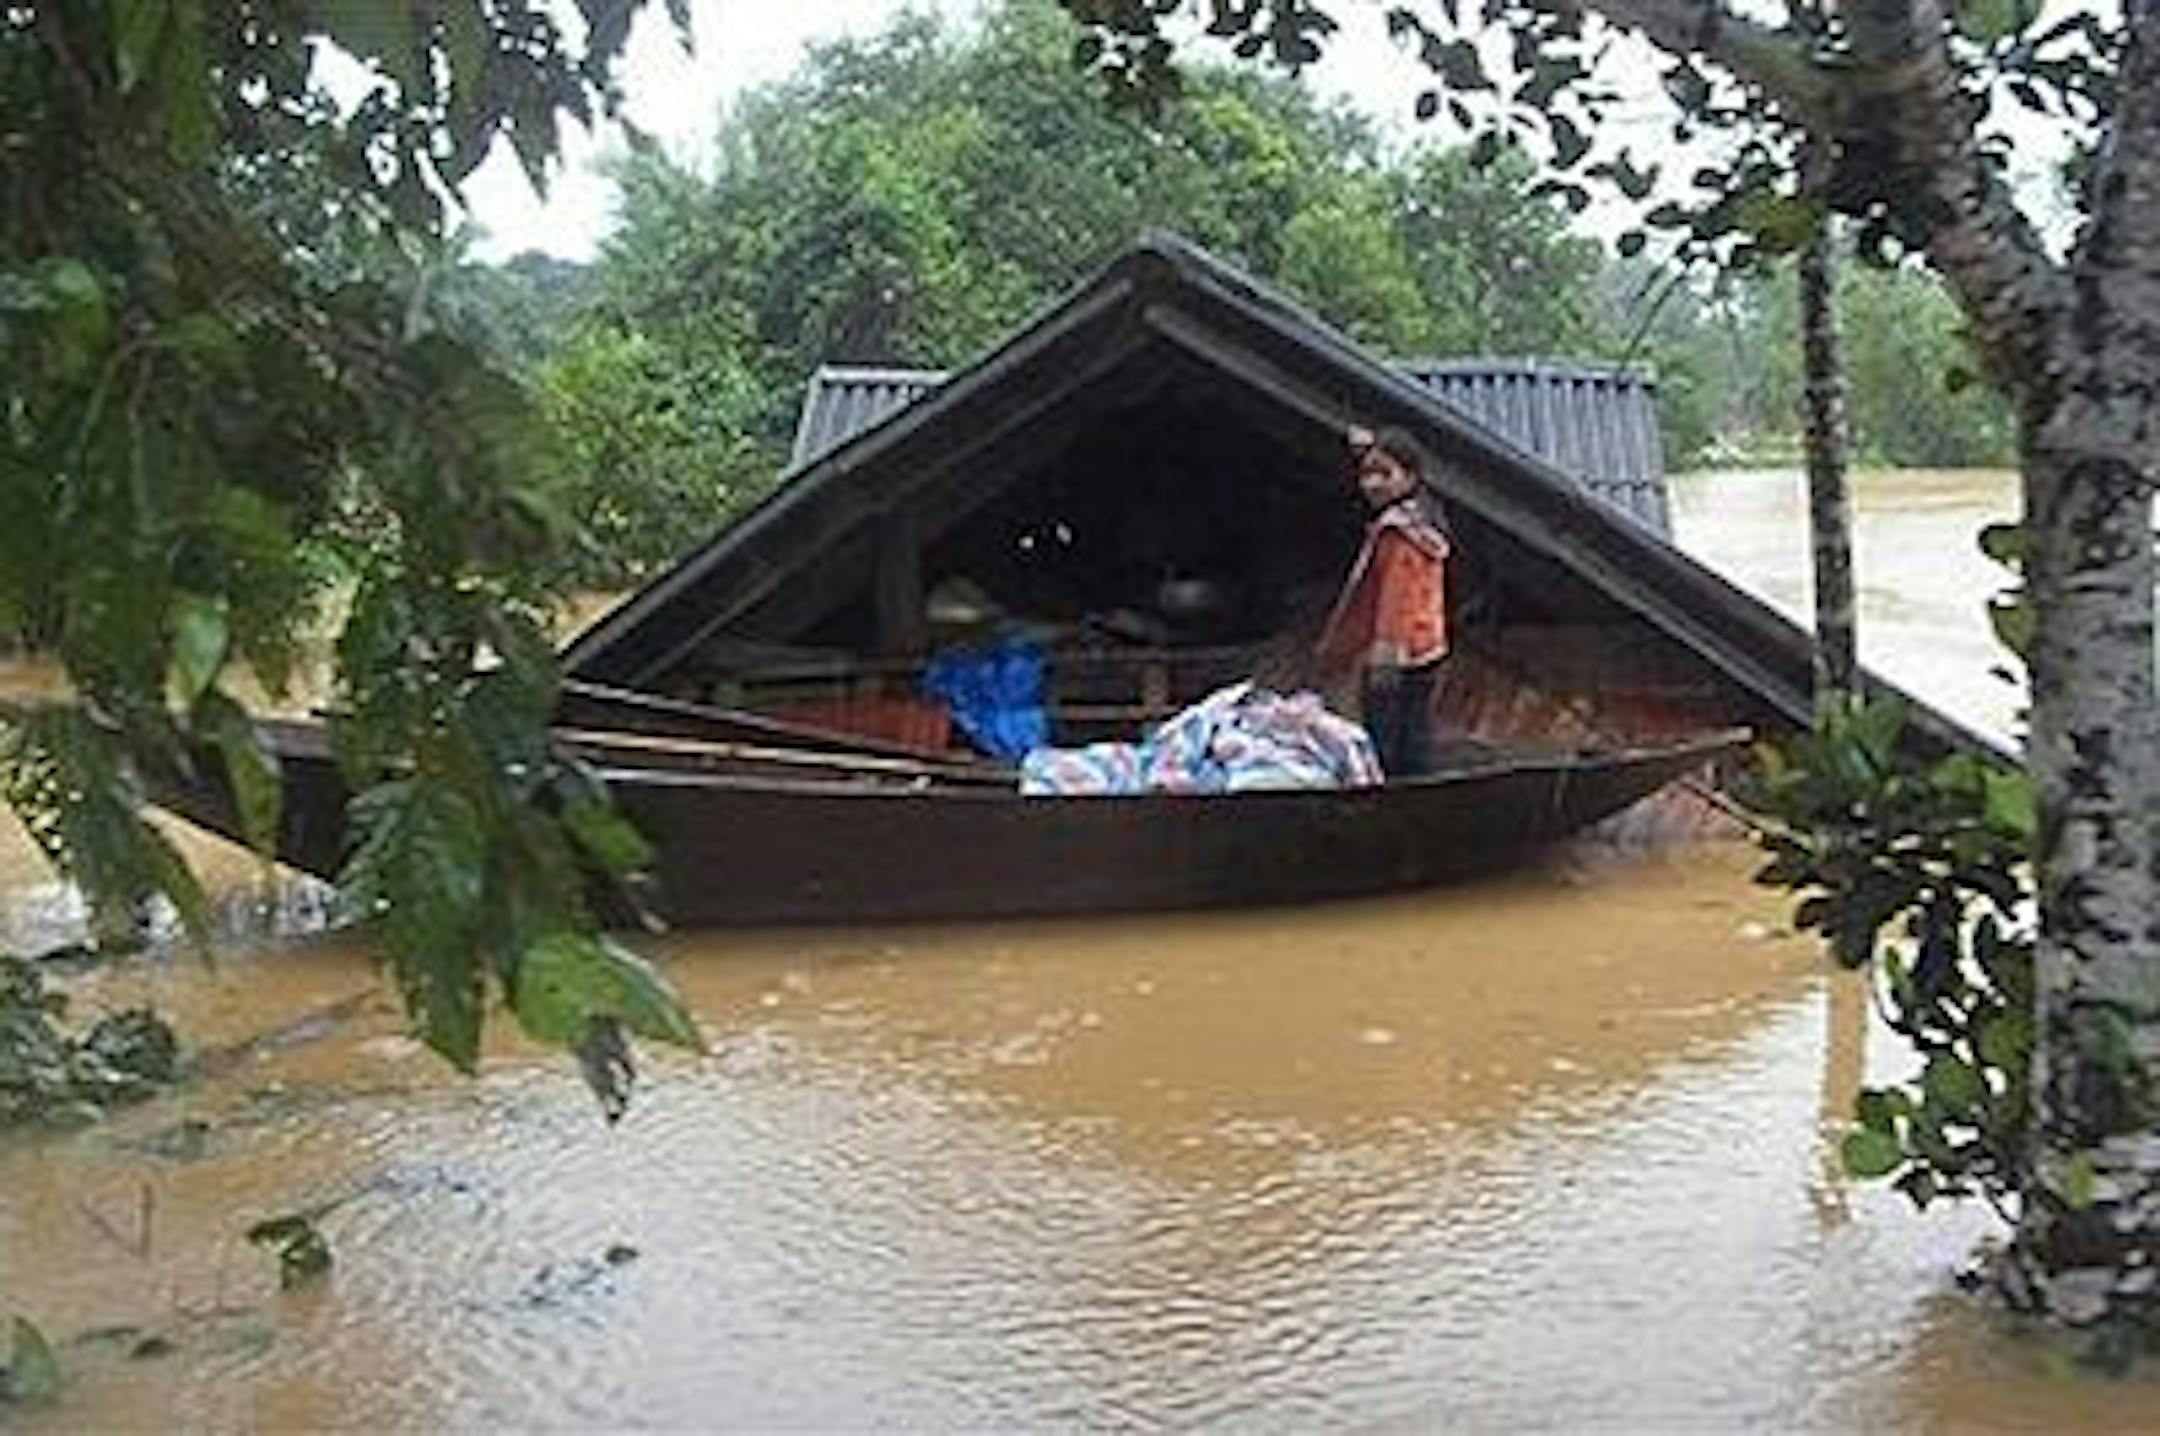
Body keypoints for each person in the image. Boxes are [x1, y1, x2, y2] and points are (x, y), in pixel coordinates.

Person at [1314, 423, 1453, 778]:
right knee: (1415, 730)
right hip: (1428, 644)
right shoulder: (1425, 520)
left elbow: (1397, 597)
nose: (1372, 484)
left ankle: (1392, 803)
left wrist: (1385, 655)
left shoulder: (1398, 533)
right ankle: (1415, 796)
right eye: (1367, 475)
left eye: (1384, 474)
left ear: (1409, 477)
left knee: (1387, 741)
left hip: (1398, 653)